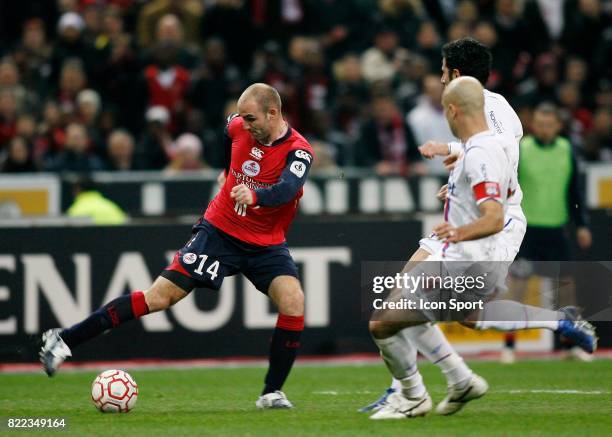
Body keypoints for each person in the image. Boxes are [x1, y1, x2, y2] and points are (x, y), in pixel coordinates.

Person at [40, 83, 315, 410]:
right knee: (159, 297)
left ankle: (271, 393)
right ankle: (63, 340)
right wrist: (227, 173)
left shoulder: (299, 151)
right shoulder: (238, 126)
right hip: (220, 234)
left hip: (266, 244)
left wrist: (254, 194)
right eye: (242, 117)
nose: (245, 123)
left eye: (252, 117)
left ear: (273, 113)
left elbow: (288, 188)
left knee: (294, 301)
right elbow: (228, 136)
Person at [361, 37, 597, 414]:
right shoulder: (499, 108)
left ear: (455, 74)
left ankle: (417, 390)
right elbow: (489, 154)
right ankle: (440, 383)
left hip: (485, 227)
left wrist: (460, 166)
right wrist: (459, 181)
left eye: (442, 72)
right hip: (473, 213)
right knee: (409, 299)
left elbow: (492, 155)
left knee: (426, 312)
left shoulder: (479, 116)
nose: (439, 81)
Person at [369, 76, 510, 420]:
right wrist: (456, 185)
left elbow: (494, 216)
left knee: (383, 323)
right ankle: (459, 380)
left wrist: (458, 232)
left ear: (452, 109)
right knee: (401, 306)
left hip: (462, 262)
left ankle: (413, 396)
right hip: (458, 256)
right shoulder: (492, 144)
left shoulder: (479, 154)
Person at [502, 103, 593, 363]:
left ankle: (570, 346)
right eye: (539, 124)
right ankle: (509, 346)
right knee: (516, 288)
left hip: (556, 229)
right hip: (526, 231)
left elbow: (575, 191)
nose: (544, 128)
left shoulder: (567, 151)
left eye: (549, 124)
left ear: (558, 126)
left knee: (565, 290)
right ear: (533, 126)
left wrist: (582, 225)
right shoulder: (522, 150)